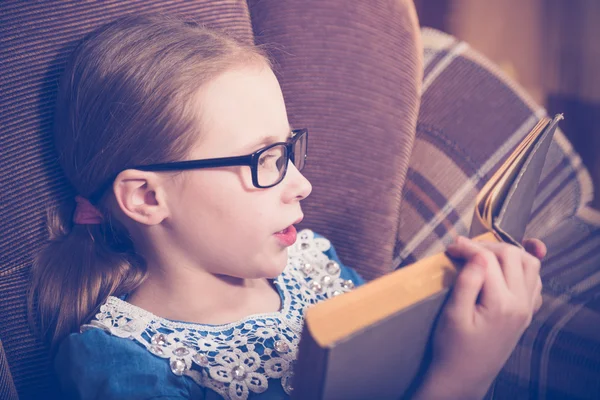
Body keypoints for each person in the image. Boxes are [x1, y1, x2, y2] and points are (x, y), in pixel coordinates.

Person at [30, 14, 546, 400]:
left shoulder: (311, 263)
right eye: (265, 160)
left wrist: (464, 302)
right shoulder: (124, 369)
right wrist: (464, 378)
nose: (302, 185)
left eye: (289, 150)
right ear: (147, 197)